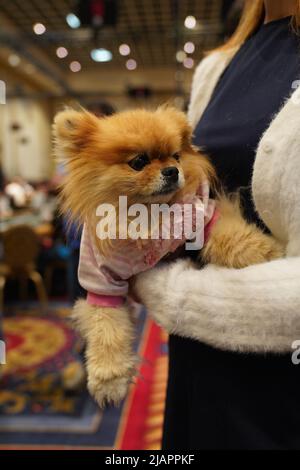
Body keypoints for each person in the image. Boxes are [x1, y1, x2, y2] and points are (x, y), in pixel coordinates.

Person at [134, 0, 300, 450]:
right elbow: (193, 197)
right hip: (198, 360)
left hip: (279, 384)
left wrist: (155, 285)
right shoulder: (218, 64)